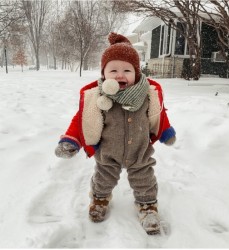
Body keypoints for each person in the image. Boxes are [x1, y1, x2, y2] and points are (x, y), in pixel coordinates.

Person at [55, 32, 176, 235]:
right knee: (103, 179)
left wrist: (165, 131)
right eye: (113, 70)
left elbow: (158, 114)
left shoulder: (146, 96)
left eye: (127, 70)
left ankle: (147, 207)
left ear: (136, 73)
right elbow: (81, 119)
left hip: (139, 152)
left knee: (144, 179)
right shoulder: (98, 99)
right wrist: (71, 140)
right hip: (108, 153)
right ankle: (100, 199)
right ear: (104, 74)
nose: (120, 75)